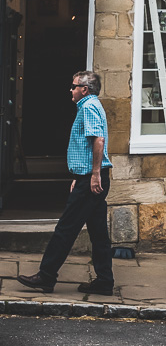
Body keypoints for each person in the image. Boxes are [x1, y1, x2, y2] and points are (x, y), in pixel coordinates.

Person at [18, 69, 114, 296]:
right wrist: (80, 175)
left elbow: (97, 141)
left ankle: (46, 276)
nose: (70, 90)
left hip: (92, 180)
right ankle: (104, 281)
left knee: (65, 228)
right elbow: (85, 146)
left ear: (84, 89)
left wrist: (93, 175)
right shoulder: (91, 105)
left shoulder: (89, 106)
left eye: (73, 86)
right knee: (98, 232)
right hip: (89, 177)